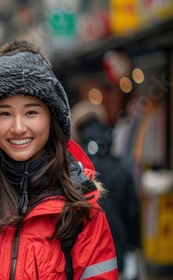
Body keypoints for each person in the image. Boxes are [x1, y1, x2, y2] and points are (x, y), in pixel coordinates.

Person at [0, 40, 118, 279]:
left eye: (31, 112)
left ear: (52, 118)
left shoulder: (80, 203)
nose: (18, 127)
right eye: (5, 113)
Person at [71, 100, 140, 279]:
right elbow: (133, 213)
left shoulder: (75, 171)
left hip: (87, 262)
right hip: (120, 254)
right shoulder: (121, 168)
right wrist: (134, 245)